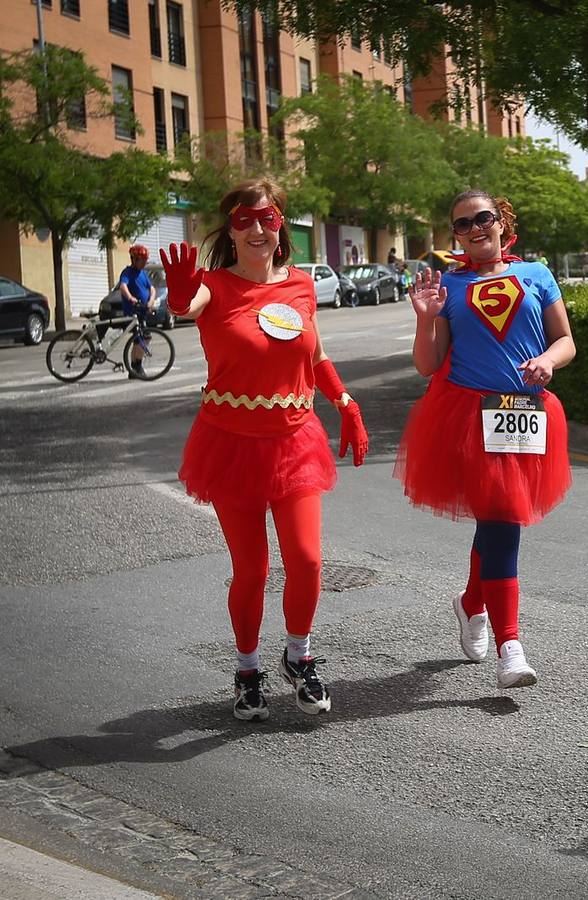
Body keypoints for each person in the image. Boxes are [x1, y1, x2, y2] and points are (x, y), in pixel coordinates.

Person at [159, 178, 370, 723]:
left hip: (295, 439)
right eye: (244, 220)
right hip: (231, 444)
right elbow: (188, 306)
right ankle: (247, 669)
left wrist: (345, 401)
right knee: (251, 570)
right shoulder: (214, 285)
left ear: (282, 225)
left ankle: (298, 656)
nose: (257, 228)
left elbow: (317, 356)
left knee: (306, 560)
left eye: (268, 218)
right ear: (230, 230)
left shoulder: (300, 284)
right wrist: (181, 294)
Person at [394, 190, 575, 689]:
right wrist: (425, 317)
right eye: (462, 224)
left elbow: (566, 341)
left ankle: (472, 603)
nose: (475, 228)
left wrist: (547, 361)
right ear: (454, 235)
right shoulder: (447, 286)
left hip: (529, 412)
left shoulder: (537, 274)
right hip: (471, 417)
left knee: (500, 518)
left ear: (502, 221)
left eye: (483, 218)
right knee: (502, 523)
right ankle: (510, 646)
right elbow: (428, 365)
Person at [116, 245, 157, 378]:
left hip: (142, 311)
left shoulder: (143, 273)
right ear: (134, 259)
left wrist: (151, 300)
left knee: (139, 340)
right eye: (142, 260)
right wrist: (130, 298)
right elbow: (123, 286)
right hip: (133, 312)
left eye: (145, 259)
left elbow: (152, 288)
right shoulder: (128, 272)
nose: (145, 262)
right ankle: (136, 366)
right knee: (143, 338)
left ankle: (134, 368)